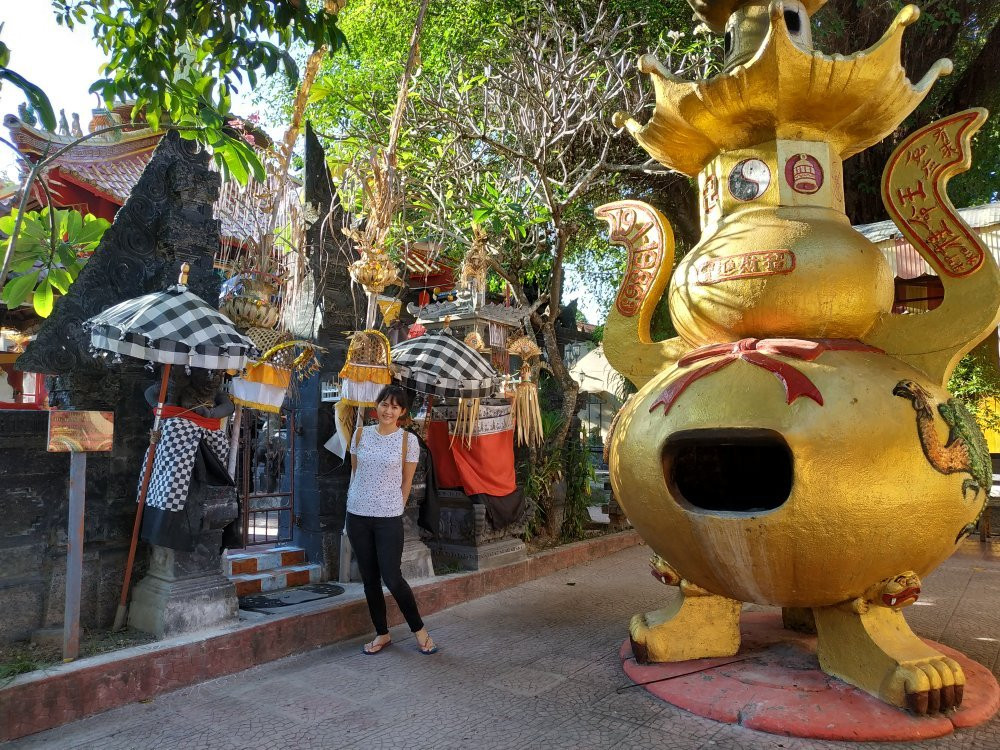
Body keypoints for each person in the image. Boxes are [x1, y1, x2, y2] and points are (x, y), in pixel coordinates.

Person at [348, 384, 438, 655]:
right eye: (385, 404)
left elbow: (407, 482)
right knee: (369, 578)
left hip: (388, 517)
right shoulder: (360, 434)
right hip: (357, 515)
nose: (388, 410)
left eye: (395, 406)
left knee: (392, 577)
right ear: (377, 405)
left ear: (402, 412)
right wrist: (354, 503)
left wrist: (394, 506)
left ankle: (419, 630)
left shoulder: (407, 440)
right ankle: (382, 633)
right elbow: (356, 473)